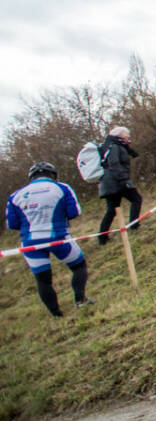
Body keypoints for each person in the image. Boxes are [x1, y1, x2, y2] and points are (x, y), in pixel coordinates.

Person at [8, 162, 89, 316]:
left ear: (31, 177)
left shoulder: (15, 195)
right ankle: (80, 300)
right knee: (79, 267)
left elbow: (12, 224)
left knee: (43, 280)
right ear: (53, 175)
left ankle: (57, 314)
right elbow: (74, 212)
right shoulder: (62, 188)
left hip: (31, 243)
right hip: (58, 237)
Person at [97, 126, 141, 245]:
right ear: (121, 136)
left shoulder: (111, 146)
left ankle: (102, 238)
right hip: (117, 182)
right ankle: (134, 225)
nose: (128, 138)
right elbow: (114, 164)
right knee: (136, 199)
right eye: (127, 136)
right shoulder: (115, 147)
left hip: (109, 183)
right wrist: (124, 180)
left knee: (112, 210)